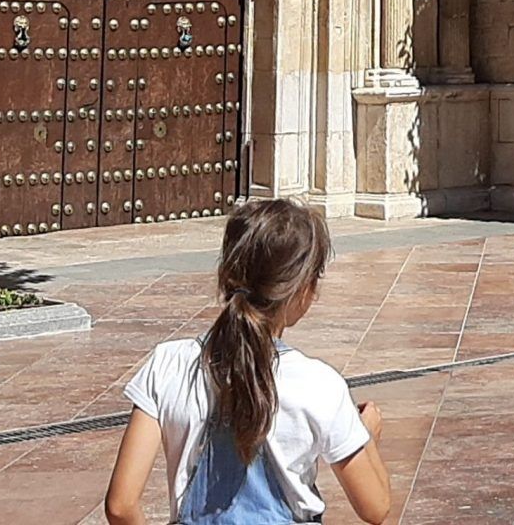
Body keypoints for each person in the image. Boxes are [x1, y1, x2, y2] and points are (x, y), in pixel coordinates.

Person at [105, 200, 392, 525]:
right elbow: (376, 507)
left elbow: (120, 504)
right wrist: (365, 439)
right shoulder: (320, 385)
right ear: (300, 289)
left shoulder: (168, 363)